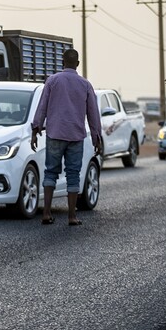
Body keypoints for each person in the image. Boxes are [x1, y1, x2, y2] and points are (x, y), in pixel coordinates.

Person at [30, 48, 102, 226]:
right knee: (73, 174)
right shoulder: (85, 84)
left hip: (54, 134)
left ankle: (46, 213)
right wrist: (96, 138)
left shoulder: (52, 81)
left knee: (50, 172)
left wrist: (35, 129)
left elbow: (42, 107)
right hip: (75, 136)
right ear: (77, 64)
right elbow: (93, 114)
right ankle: (71, 216)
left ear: (62, 62)